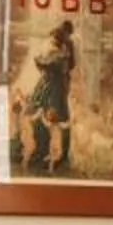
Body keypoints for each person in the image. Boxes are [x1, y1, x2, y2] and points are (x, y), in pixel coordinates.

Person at [27, 17, 77, 174]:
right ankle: (41, 152)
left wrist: (48, 62)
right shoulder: (55, 44)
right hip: (49, 83)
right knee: (38, 113)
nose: (59, 37)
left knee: (59, 120)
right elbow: (47, 62)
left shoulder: (66, 47)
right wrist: (44, 62)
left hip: (56, 86)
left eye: (62, 34)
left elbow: (65, 65)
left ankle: (59, 156)